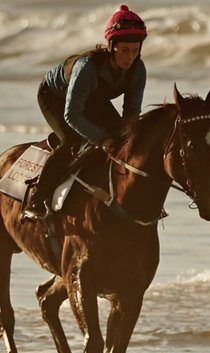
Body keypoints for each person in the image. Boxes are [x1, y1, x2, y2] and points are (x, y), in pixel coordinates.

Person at [21, 4, 148, 221]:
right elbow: (71, 114)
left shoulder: (138, 69)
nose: (129, 57)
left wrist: (125, 139)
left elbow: (131, 114)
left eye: (135, 51)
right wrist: (102, 140)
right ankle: (36, 199)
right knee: (71, 140)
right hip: (54, 97)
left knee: (121, 138)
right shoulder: (87, 68)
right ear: (111, 46)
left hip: (92, 99)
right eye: (124, 50)